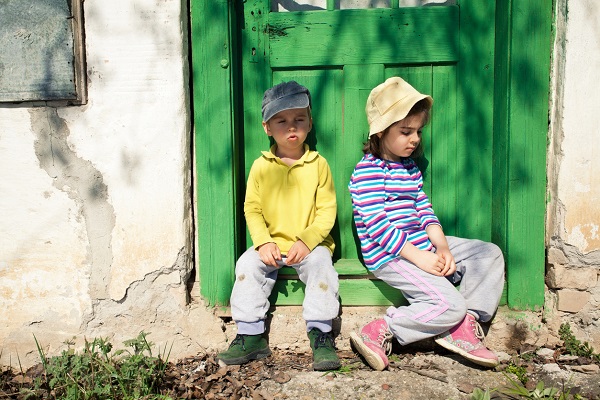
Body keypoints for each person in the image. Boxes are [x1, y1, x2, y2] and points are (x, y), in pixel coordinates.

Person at [347, 77, 505, 370]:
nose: (415, 139)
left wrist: (442, 246)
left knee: (489, 253)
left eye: (418, 131)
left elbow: (424, 210)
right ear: (380, 132)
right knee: (449, 305)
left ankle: (463, 327)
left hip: (422, 244)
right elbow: (378, 226)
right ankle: (380, 329)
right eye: (405, 131)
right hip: (391, 255)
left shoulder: (408, 168)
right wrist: (419, 257)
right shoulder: (368, 172)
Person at [217, 81, 341, 371]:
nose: (291, 126)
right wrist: (262, 241)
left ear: (310, 123)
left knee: (322, 267)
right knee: (247, 267)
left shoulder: (318, 164)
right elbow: (253, 208)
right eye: (281, 120)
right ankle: (250, 336)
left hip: (310, 247)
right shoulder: (261, 166)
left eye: (299, 119)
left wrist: (308, 241)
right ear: (267, 127)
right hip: (271, 244)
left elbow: (327, 210)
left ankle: (321, 335)